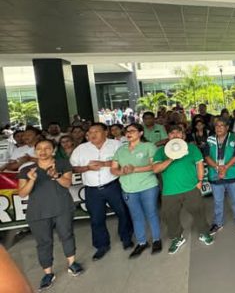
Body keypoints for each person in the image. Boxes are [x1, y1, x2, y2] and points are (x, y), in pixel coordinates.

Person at [18, 139, 84, 290]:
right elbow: (22, 193)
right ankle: (48, 273)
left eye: (47, 148)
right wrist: (31, 180)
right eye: (39, 148)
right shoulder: (27, 170)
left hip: (62, 208)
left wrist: (56, 176)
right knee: (43, 242)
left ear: (53, 150)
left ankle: (72, 264)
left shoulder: (62, 163)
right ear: (35, 151)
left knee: (66, 235)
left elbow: (67, 183)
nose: (43, 151)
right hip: (38, 212)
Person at [70, 123, 134, 261]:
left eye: (96, 131)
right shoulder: (81, 149)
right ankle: (101, 245)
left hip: (113, 185)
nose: (92, 134)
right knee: (96, 218)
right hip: (92, 189)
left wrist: (104, 164)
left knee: (123, 212)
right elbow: (74, 168)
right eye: (90, 132)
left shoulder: (116, 145)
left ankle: (126, 238)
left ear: (105, 132)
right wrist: (87, 168)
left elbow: (126, 161)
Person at [153, 124, 214, 254]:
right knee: (170, 216)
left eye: (178, 132)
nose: (175, 135)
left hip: (191, 188)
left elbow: (199, 165)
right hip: (170, 191)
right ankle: (177, 238)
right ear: (168, 136)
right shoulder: (160, 151)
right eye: (171, 133)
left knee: (198, 211)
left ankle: (204, 233)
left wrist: (199, 181)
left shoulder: (191, 148)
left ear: (183, 135)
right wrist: (171, 158)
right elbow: (156, 169)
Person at [111, 124, 161, 258]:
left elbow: (154, 166)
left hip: (148, 186)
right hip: (128, 188)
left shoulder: (148, 146)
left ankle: (156, 239)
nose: (128, 133)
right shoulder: (121, 150)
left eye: (132, 131)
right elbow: (113, 169)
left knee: (151, 213)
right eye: (127, 131)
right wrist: (121, 171)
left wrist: (135, 169)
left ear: (140, 133)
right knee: (136, 216)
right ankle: (142, 242)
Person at [204, 118, 235, 234]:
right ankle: (218, 222)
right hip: (215, 175)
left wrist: (226, 167)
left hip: (232, 174)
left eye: (221, 125)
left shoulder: (234, 138)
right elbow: (207, 157)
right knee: (218, 201)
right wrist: (218, 168)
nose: (218, 128)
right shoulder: (210, 139)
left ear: (227, 127)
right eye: (216, 126)